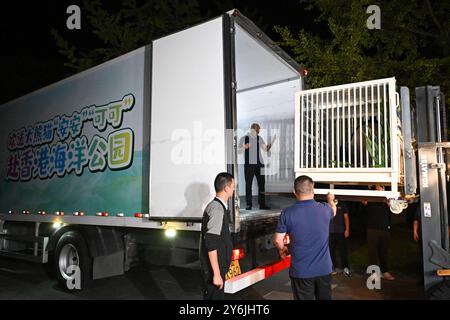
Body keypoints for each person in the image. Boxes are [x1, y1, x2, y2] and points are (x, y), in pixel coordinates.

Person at [274, 175, 337, 300]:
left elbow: (277, 240)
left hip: (301, 272)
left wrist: (283, 250)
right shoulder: (324, 209)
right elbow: (333, 210)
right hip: (323, 270)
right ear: (313, 190)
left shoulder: (287, 213)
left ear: (294, 192)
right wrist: (330, 200)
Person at [199, 172, 234, 300]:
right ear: (226, 188)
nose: (234, 189)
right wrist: (216, 273)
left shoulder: (219, 207)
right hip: (214, 268)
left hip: (217, 266)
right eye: (233, 186)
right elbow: (211, 242)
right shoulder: (217, 209)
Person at [362, 185, 395, 281]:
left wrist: (388, 201)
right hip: (372, 228)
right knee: (372, 253)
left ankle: (385, 272)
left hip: (385, 229)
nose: (378, 188)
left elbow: (393, 208)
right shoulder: (370, 196)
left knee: (383, 252)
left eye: (380, 187)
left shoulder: (388, 196)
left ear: (383, 188)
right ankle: (373, 273)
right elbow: (364, 203)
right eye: (376, 187)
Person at [238, 123, 273, 210]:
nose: (258, 132)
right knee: (248, 185)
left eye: (258, 130)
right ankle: (248, 204)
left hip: (259, 164)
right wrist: (244, 147)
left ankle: (262, 204)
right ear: (251, 129)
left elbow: (265, 149)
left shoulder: (259, 138)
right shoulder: (244, 138)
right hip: (249, 165)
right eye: (256, 130)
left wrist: (269, 145)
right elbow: (238, 151)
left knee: (262, 185)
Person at [329, 202, 351, 277]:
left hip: (341, 232)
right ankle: (332, 268)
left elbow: (346, 217)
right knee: (331, 251)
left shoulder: (342, 203)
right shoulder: (327, 204)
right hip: (330, 232)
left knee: (343, 251)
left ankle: (345, 268)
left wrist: (347, 229)